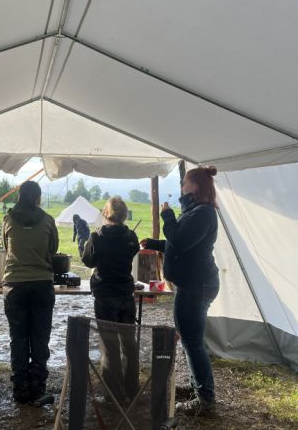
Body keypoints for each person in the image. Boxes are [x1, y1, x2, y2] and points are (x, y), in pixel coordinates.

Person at [141, 166, 219, 416]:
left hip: (197, 285)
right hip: (192, 285)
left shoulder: (203, 213)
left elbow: (181, 242)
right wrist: (155, 243)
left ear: (195, 186)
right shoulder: (194, 212)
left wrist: (167, 216)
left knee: (192, 341)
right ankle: (200, 388)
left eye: (184, 182)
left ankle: (205, 399)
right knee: (189, 339)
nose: (181, 186)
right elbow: (179, 241)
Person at [2, 181, 59, 404]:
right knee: (40, 337)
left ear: (19, 196)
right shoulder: (48, 220)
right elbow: (53, 249)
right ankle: (37, 387)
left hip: (14, 285)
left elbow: (6, 248)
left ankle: (19, 388)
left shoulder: (7, 220)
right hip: (42, 284)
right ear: (38, 198)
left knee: (18, 338)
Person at [82, 196, 140, 404]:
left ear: (106, 213)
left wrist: (85, 243)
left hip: (105, 295)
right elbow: (133, 251)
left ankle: (114, 396)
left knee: (110, 346)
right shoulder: (131, 236)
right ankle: (132, 389)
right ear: (124, 215)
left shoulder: (97, 236)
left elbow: (88, 261)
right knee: (129, 345)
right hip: (126, 294)